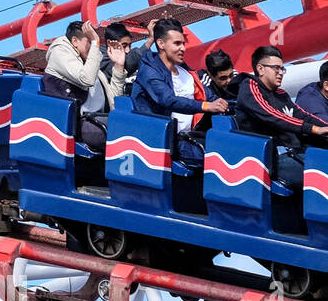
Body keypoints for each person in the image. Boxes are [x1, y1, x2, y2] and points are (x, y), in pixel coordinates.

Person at [131, 18, 228, 164]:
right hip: (160, 141)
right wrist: (206, 106)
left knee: (233, 149)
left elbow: (211, 97)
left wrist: (226, 104)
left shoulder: (187, 73)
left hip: (189, 138)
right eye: (177, 43)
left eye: (183, 43)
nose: (183, 48)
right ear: (161, 44)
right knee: (217, 159)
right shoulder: (149, 69)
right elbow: (167, 99)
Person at [234, 46, 328, 190]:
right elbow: (272, 115)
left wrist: (324, 127)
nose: (280, 73)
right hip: (270, 159)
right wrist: (314, 129)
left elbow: (303, 115)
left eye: (282, 69)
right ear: (260, 69)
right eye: (276, 68)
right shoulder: (250, 87)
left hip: (294, 153)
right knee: (322, 173)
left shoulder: (281, 94)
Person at [42, 21, 126, 150]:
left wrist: (119, 66)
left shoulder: (91, 66)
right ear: (75, 41)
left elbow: (114, 102)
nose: (94, 47)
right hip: (77, 125)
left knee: (133, 125)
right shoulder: (60, 54)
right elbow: (86, 79)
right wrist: (95, 43)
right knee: (126, 131)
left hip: (97, 121)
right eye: (89, 42)